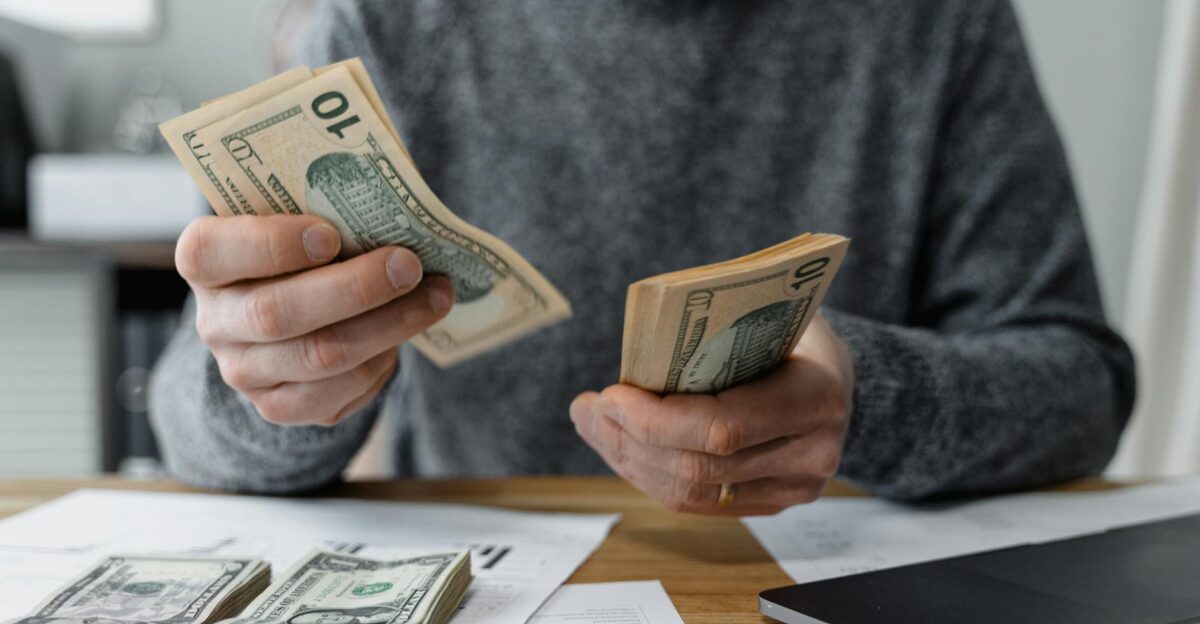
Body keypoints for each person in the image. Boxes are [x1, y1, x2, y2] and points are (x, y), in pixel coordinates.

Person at [149, 0, 1136, 515]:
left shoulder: (937, 21)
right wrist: (277, 386)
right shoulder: (379, 17)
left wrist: (867, 401)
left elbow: (1083, 387)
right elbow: (190, 415)